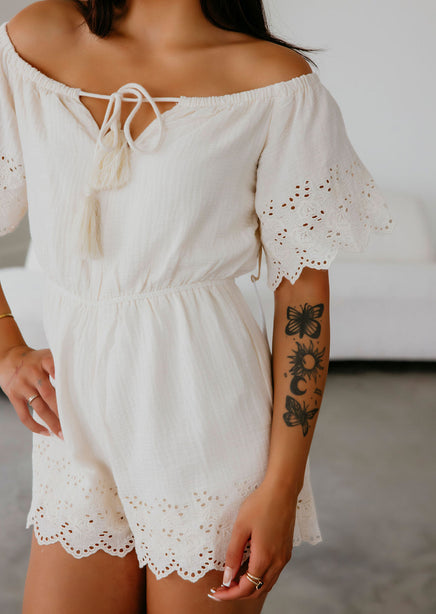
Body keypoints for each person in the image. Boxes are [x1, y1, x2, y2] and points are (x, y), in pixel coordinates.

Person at [0, 0, 394, 612]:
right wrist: (6, 346)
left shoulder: (275, 83)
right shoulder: (35, 39)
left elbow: (302, 296)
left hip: (208, 428)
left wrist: (281, 488)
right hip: (74, 425)